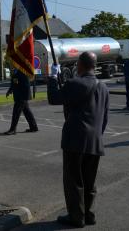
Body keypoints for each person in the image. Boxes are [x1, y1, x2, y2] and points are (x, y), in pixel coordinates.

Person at [47, 52, 109, 228]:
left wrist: (52, 76)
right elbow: (104, 117)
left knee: (74, 181)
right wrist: (97, 134)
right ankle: (88, 213)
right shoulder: (103, 87)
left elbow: (54, 98)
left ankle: (76, 217)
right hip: (95, 140)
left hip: (75, 139)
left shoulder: (75, 83)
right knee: (89, 182)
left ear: (80, 65)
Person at [4, 67, 38, 135]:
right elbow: (15, 82)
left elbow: (26, 83)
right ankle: (33, 127)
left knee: (16, 112)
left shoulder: (22, 70)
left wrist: (23, 95)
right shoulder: (16, 71)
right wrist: (10, 91)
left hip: (22, 95)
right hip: (20, 95)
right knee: (27, 111)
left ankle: (13, 129)